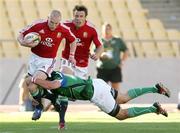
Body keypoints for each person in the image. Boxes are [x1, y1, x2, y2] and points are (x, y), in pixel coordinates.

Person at [27, 70, 170, 123]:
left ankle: (153, 108)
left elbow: (52, 86)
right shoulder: (54, 78)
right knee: (124, 97)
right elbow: (49, 93)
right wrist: (37, 99)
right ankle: (155, 88)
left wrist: (34, 79)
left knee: (121, 115)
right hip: (96, 83)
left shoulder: (56, 77)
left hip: (96, 93)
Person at [17, 10, 77, 123]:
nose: (54, 25)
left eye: (56, 23)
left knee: (35, 81)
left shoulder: (63, 29)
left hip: (48, 61)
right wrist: (23, 42)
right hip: (34, 59)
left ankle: (45, 103)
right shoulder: (38, 25)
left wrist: (72, 55)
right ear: (47, 18)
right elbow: (20, 35)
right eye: (51, 22)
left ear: (59, 21)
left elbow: (73, 40)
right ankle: (42, 105)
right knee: (31, 86)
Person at [56, 5, 104, 129]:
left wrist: (97, 54)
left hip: (82, 64)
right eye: (76, 16)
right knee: (64, 86)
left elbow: (100, 46)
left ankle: (60, 98)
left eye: (81, 16)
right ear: (73, 16)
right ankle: (62, 121)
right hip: (67, 59)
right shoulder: (66, 25)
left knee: (75, 94)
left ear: (85, 17)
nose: (78, 18)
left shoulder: (91, 29)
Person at [97, 23, 128, 91]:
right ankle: (103, 101)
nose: (107, 30)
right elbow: (94, 52)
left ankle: (115, 101)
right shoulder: (99, 40)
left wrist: (122, 62)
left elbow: (126, 50)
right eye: (105, 29)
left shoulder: (117, 40)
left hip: (115, 68)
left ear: (111, 30)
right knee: (101, 88)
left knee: (115, 89)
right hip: (102, 68)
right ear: (102, 30)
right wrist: (101, 55)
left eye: (108, 29)